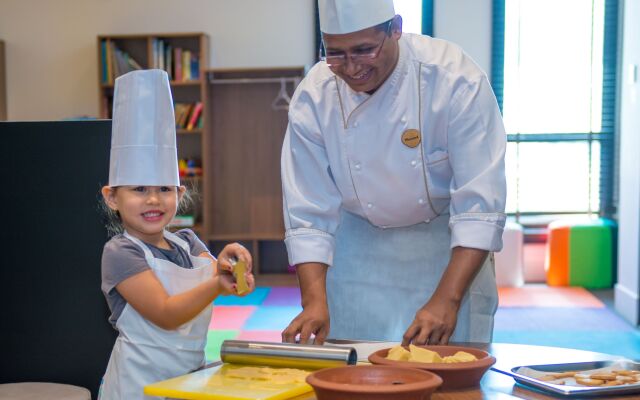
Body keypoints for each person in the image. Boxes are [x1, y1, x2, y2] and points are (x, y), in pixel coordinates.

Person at [281, 0, 506, 346]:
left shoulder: (454, 79)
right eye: (335, 53)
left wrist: (448, 300)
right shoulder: (314, 96)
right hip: (357, 252)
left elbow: (480, 205)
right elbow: (308, 211)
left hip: (446, 248)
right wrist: (313, 302)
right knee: (354, 376)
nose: (351, 67)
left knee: (452, 383)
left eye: (364, 50)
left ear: (396, 29)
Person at [99, 69, 255, 399]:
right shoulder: (121, 252)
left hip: (187, 380)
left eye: (164, 189)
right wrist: (217, 282)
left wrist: (233, 263)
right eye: (139, 189)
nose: (153, 199)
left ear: (179, 194)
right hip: (138, 387)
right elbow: (167, 314)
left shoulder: (188, 241)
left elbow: (221, 277)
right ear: (112, 196)